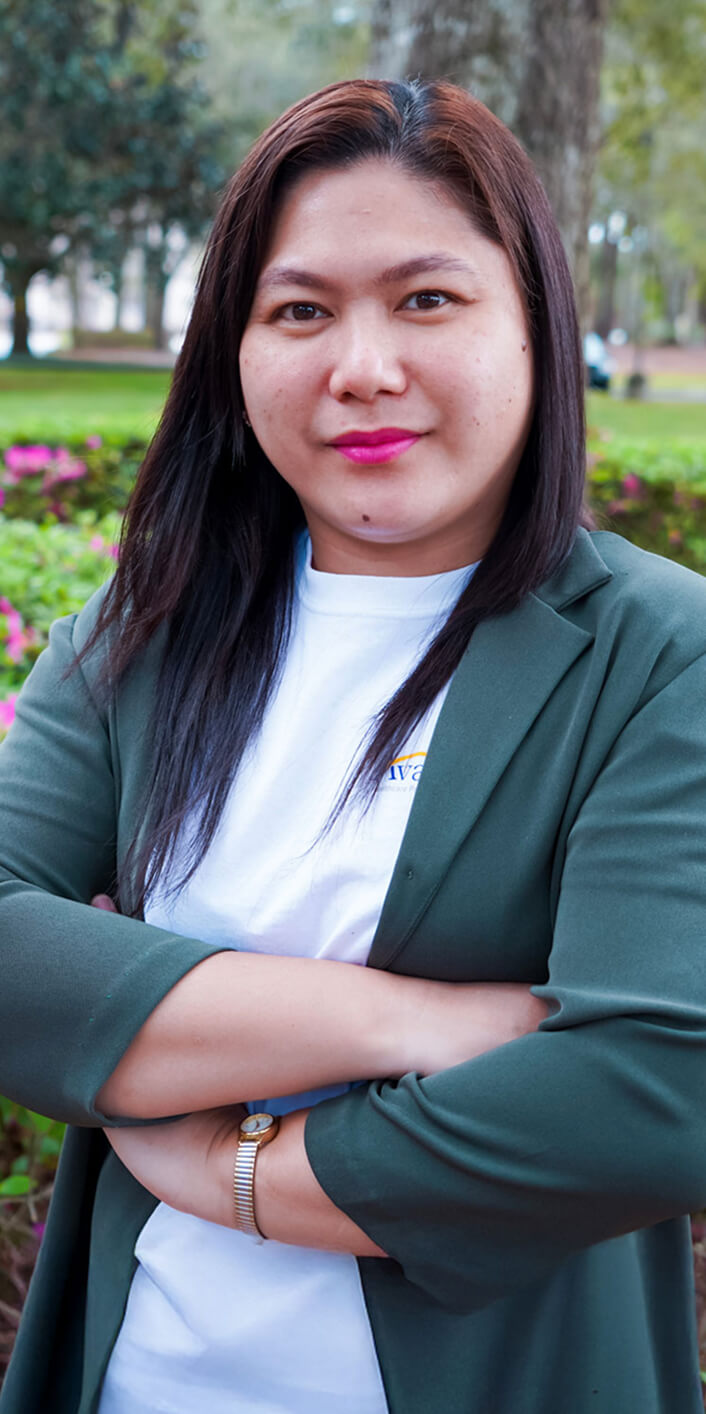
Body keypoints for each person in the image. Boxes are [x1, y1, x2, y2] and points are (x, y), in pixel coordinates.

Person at [1, 76, 706, 1414]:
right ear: (237, 351)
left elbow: (650, 1095)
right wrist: (420, 1024)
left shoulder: (657, 652)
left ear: (533, 331)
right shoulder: (144, 629)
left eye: (426, 298)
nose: (360, 365)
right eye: (299, 310)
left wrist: (228, 1166)